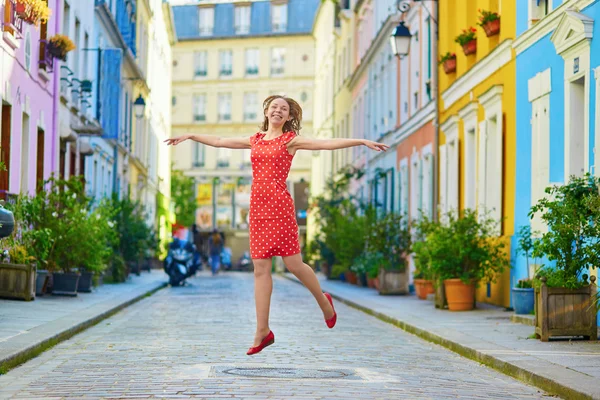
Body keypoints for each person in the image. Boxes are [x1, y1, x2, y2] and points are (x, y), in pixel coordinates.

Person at [165, 95, 389, 355]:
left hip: (280, 208)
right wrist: (191, 135)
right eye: (274, 107)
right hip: (258, 210)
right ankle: (263, 331)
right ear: (267, 111)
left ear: (289, 116)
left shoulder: (290, 141)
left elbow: (325, 144)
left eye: (284, 109)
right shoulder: (255, 140)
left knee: (294, 264)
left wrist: (361, 141)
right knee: (260, 269)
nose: (278, 111)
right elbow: (219, 141)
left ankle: (324, 302)